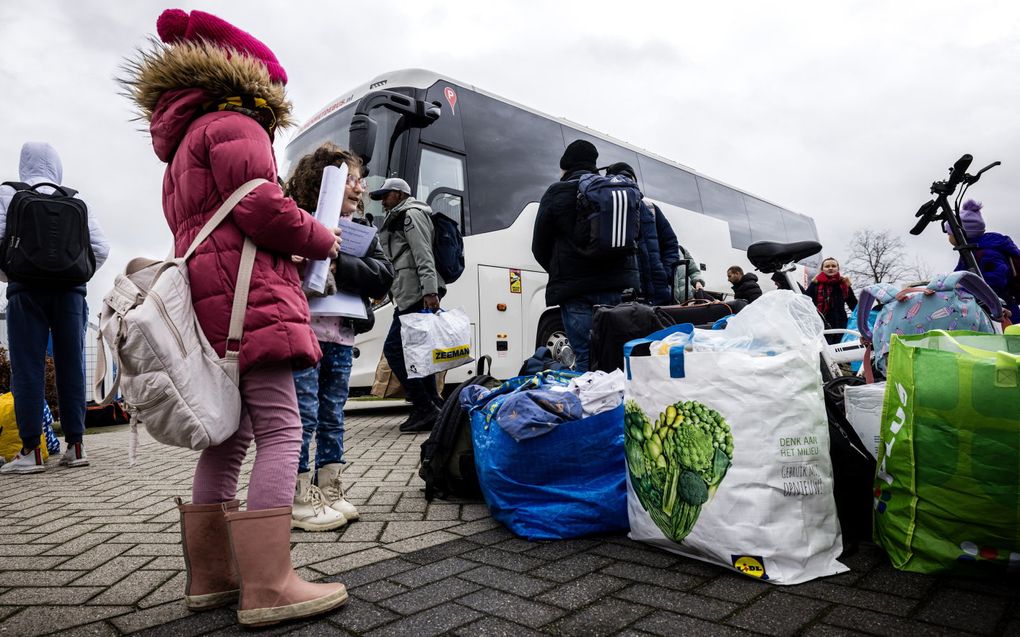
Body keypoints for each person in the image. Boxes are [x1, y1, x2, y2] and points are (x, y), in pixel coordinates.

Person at [121, 8, 347, 625]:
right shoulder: (236, 125)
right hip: (252, 300)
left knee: (231, 436)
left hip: (214, 300)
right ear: (251, 80)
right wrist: (326, 238)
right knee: (282, 429)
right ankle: (270, 584)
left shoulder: (185, 145)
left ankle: (215, 579)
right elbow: (264, 210)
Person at [285, 144, 393, 531]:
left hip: (343, 337)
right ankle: (297, 494)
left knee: (333, 415)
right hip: (303, 333)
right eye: (350, 180)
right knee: (305, 415)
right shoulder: (294, 221)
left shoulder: (364, 230)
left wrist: (339, 259)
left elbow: (384, 275)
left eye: (360, 182)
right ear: (324, 182)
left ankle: (329, 487)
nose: (359, 189)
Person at [0, 142, 110, 474]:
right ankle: (76, 446)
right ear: (56, 166)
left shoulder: (8, 193)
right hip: (71, 293)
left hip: (26, 292)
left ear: (24, 165)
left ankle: (32, 451)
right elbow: (101, 248)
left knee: (28, 369)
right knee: (72, 365)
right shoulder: (75, 199)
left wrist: (13, 273)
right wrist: (76, 274)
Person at [532, 141, 640, 372]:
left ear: (565, 166)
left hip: (577, 294)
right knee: (614, 356)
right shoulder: (612, 194)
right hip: (615, 290)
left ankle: (591, 405)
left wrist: (561, 272)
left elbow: (538, 246)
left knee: (584, 358)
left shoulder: (556, 192)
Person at [372, 177, 445, 433]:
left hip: (416, 293)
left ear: (400, 194)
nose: (382, 200)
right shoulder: (400, 215)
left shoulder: (410, 215)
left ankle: (424, 406)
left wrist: (430, 291)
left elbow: (423, 252)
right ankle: (433, 405)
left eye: (386, 195)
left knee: (394, 350)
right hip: (408, 292)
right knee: (418, 353)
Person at [605, 162, 676, 306]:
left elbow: (670, 244)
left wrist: (665, 272)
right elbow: (671, 243)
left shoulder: (650, 209)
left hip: (647, 295)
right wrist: (664, 273)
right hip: (636, 296)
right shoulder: (651, 209)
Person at [945, 199, 1020, 319]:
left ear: (963, 233)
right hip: (985, 310)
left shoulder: (987, 252)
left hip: (1004, 312)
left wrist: (965, 290)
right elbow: (958, 277)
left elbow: (997, 280)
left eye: (949, 233)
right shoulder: (969, 252)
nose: (948, 236)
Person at [804, 257, 857, 344]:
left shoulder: (844, 284)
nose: (830, 268)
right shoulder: (815, 284)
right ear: (822, 269)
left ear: (838, 268)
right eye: (827, 266)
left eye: (833, 266)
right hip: (821, 323)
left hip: (841, 323)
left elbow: (853, 304)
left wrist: (860, 318)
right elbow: (806, 301)